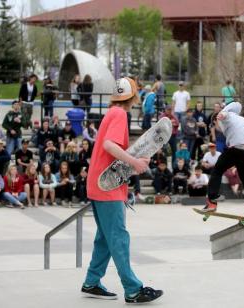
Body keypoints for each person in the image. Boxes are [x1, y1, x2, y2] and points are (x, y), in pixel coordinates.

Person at [83, 77, 163, 303]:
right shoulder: (119, 114)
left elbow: (112, 152)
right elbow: (109, 145)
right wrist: (134, 162)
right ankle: (133, 289)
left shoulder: (110, 112)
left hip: (100, 183)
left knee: (105, 238)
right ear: (134, 96)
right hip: (107, 188)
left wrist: (134, 162)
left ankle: (92, 280)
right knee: (118, 237)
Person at [201, 102, 244, 216]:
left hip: (239, 147)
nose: (218, 129)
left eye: (215, 127)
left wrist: (221, 115)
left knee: (217, 170)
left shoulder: (225, 117)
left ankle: (211, 202)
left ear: (214, 122)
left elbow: (226, 115)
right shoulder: (241, 119)